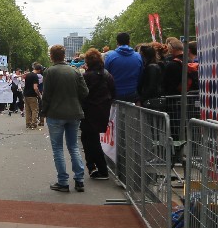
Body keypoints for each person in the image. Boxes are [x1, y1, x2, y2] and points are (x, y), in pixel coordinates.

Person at [39, 44, 88, 193]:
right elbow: (85, 92)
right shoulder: (75, 71)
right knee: (74, 146)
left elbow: (46, 95)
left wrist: (43, 112)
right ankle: (79, 180)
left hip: (55, 114)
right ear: (64, 55)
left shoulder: (50, 72)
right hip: (74, 112)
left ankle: (63, 182)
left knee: (58, 149)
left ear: (52, 56)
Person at [81, 48, 116, 179]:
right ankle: (94, 167)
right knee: (91, 139)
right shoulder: (107, 75)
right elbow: (113, 91)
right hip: (103, 110)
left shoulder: (86, 76)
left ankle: (98, 168)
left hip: (89, 110)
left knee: (90, 140)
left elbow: (82, 93)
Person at [103, 31, 144, 103]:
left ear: (117, 42)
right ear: (129, 42)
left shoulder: (110, 56)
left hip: (115, 94)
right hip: (132, 92)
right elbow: (141, 75)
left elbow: (106, 75)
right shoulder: (138, 56)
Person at [137, 42, 164, 108]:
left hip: (151, 99)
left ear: (142, 53)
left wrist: (141, 99)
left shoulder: (151, 67)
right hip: (152, 98)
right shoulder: (153, 66)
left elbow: (151, 86)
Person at [22, 63, 42, 130]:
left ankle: (28, 123)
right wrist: (39, 95)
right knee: (34, 110)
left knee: (27, 110)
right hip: (32, 95)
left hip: (26, 94)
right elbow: (35, 87)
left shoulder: (28, 75)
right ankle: (33, 123)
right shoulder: (35, 76)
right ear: (39, 70)